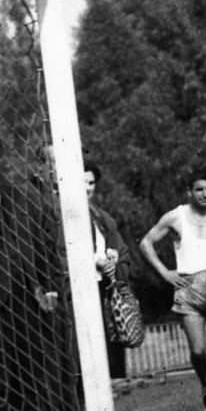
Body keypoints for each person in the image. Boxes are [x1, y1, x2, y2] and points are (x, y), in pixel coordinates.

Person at [0, 133, 76, 411]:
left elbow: (43, 248)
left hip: (26, 301)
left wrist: (51, 287)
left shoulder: (23, 198)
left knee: (29, 374)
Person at [138, 168, 206, 411]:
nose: (204, 194)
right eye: (199, 189)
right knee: (198, 350)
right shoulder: (175, 217)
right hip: (188, 289)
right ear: (189, 191)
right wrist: (165, 273)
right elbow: (146, 243)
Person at [84, 161, 135, 381]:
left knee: (112, 355)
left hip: (105, 291)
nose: (87, 187)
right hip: (81, 292)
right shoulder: (59, 214)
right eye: (82, 182)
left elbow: (122, 253)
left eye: (91, 182)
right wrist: (94, 261)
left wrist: (113, 262)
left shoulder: (102, 218)